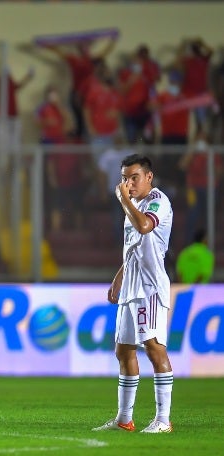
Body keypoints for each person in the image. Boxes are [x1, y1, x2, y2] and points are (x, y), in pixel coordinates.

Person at [93, 154, 174, 434]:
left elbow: (144, 226)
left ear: (149, 177)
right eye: (125, 178)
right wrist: (119, 278)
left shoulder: (157, 201)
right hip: (131, 287)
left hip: (150, 288)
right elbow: (133, 248)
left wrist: (123, 200)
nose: (128, 183)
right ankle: (124, 420)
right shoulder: (135, 205)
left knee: (154, 348)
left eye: (134, 177)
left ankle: (163, 420)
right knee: (123, 350)